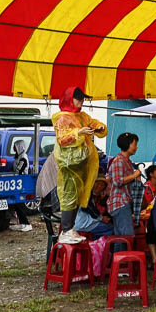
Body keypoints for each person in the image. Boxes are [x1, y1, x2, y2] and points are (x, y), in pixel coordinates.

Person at [53, 87, 107, 245]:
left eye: (83, 99)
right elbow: (62, 139)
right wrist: (78, 132)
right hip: (70, 165)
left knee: (77, 197)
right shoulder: (62, 118)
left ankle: (70, 229)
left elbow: (93, 123)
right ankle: (66, 230)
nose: (81, 102)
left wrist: (99, 128)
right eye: (78, 99)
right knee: (69, 196)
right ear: (70, 99)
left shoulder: (82, 116)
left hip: (82, 164)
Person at [107, 132, 142, 240]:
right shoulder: (119, 161)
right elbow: (117, 181)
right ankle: (126, 257)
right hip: (120, 203)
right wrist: (134, 175)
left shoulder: (127, 161)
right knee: (127, 237)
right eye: (134, 144)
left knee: (120, 239)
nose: (136, 147)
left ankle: (117, 257)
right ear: (127, 144)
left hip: (122, 203)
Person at [141, 165, 156, 264]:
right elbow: (143, 206)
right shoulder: (145, 188)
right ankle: (155, 259)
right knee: (151, 229)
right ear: (151, 174)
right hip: (147, 217)